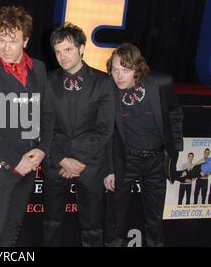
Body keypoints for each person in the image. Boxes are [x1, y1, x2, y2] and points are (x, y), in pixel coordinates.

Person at [0, 6, 53, 247]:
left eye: (13, 41)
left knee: (12, 228)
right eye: (1, 40)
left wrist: (42, 150)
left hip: (31, 160)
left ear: (25, 41)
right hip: (3, 163)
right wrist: (16, 161)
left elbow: (47, 113)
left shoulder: (38, 68)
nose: (5, 47)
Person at [104, 43, 184, 247]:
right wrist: (109, 169)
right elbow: (104, 133)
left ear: (137, 69)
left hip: (156, 162)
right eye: (115, 70)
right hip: (125, 160)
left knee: (155, 220)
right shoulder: (106, 91)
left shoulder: (161, 83)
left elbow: (175, 113)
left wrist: (174, 148)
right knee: (115, 220)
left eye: (126, 70)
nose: (119, 76)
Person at [43, 23, 115, 247]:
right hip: (56, 162)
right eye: (57, 51)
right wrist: (63, 159)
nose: (62, 57)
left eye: (68, 49)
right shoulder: (45, 81)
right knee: (51, 222)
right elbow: (42, 126)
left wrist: (79, 160)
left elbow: (105, 128)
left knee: (92, 225)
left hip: (90, 164)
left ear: (82, 48)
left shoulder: (104, 83)